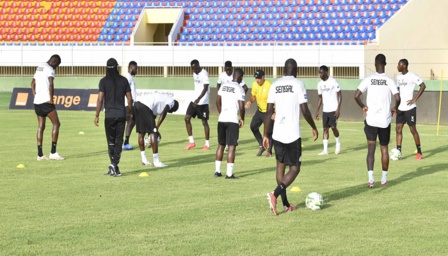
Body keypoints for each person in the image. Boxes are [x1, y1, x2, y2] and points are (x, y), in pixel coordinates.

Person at [264, 58, 318, 216]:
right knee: (295, 168)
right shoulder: (298, 84)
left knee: (280, 166)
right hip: (292, 133)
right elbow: (305, 110)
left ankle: (286, 204)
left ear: (283, 70)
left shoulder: (274, 85)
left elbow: (268, 112)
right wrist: (313, 127)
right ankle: (274, 194)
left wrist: (266, 134)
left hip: (278, 133)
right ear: (296, 70)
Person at [354, 54, 400, 188]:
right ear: (385, 64)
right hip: (385, 120)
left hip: (371, 120)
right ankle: (384, 180)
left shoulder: (368, 79)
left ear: (375, 64)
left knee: (371, 149)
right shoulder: (390, 80)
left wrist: (363, 106)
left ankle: (370, 180)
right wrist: (395, 108)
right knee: (384, 149)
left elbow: (356, 95)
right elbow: (397, 98)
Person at [94, 58, 132, 177]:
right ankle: (114, 165)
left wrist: (97, 115)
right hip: (121, 114)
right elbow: (130, 98)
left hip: (109, 115)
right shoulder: (124, 80)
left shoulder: (103, 81)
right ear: (117, 67)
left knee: (111, 142)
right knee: (118, 141)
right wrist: (129, 112)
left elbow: (100, 99)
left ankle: (113, 165)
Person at [31, 54, 64, 161]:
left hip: (37, 102)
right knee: (56, 124)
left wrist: (35, 95)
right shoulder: (50, 69)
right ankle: (53, 153)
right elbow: (51, 83)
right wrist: (51, 98)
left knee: (41, 127)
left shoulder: (39, 67)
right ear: (53, 62)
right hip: (46, 101)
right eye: (57, 65)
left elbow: (32, 83)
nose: (56, 67)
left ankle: (40, 155)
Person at [214, 68, 245, 179]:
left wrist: (221, 112)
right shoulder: (240, 88)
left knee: (221, 145)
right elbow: (241, 106)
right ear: (241, 77)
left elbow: (217, 101)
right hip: (232, 120)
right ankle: (229, 174)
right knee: (231, 146)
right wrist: (242, 118)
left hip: (221, 118)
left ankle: (217, 171)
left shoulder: (224, 85)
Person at [134, 93, 179, 167]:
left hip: (137, 103)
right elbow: (164, 113)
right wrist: (156, 129)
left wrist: (150, 138)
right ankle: (156, 161)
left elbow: (150, 125)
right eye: (172, 111)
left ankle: (144, 160)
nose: (171, 112)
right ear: (173, 107)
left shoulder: (158, 106)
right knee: (153, 132)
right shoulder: (172, 102)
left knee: (141, 132)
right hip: (145, 105)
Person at [395, 59, 426, 160]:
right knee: (398, 129)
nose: (397, 66)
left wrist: (414, 99)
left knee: (413, 129)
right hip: (401, 108)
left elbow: (423, 86)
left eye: (399, 65)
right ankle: (398, 152)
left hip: (410, 108)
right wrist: (396, 106)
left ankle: (419, 152)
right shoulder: (398, 77)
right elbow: (398, 93)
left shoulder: (412, 76)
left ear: (404, 66)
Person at [245, 70, 274, 157]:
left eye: (259, 78)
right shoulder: (254, 84)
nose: (257, 80)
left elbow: (274, 99)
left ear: (263, 77)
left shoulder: (269, 85)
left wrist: (274, 112)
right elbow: (254, 96)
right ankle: (262, 145)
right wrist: (250, 101)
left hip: (268, 112)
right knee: (253, 126)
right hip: (260, 110)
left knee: (269, 132)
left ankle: (269, 151)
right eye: (256, 78)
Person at [315, 65, 342, 155]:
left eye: (321, 72)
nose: (320, 74)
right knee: (325, 129)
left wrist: (338, 109)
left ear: (326, 72)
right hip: (325, 110)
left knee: (333, 128)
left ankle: (338, 143)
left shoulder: (333, 81)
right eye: (319, 72)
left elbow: (340, 95)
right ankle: (325, 150)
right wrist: (317, 110)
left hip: (333, 109)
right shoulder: (319, 84)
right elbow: (320, 98)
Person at [184, 59, 211, 150]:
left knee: (204, 122)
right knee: (187, 118)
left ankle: (207, 144)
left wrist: (199, 99)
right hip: (194, 100)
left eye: (195, 68)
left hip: (202, 102)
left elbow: (205, 88)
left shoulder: (204, 73)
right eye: (192, 69)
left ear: (199, 65)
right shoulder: (194, 74)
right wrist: (195, 99)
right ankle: (191, 142)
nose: (194, 70)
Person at [123, 61, 138, 150]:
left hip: (129, 104)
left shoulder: (130, 78)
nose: (136, 70)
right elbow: (125, 90)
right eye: (135, 68)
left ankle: (125, 142)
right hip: (128, 104)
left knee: (131, 122)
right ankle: (126, 143)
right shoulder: (128, 78)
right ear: (130, 68)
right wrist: (130, 104)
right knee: (130, 122)